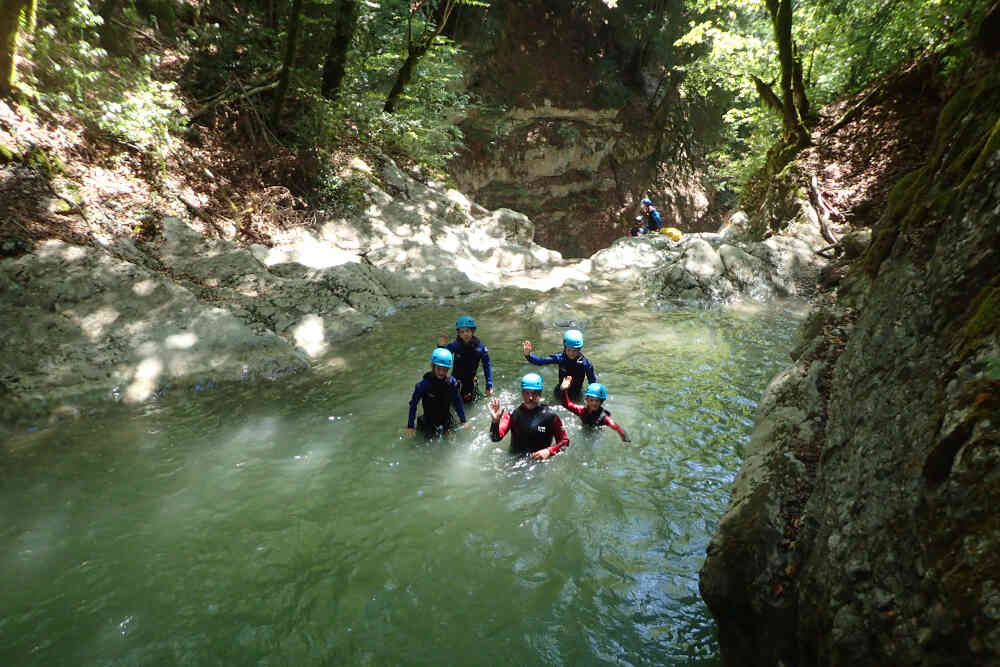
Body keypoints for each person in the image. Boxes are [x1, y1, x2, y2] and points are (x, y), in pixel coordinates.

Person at [488, 373, 569, 460]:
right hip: (515, 462)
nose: (530, 397)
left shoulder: (551, 417)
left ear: (540, 393)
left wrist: (549, 451)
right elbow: (495, 438)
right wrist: (495, 422)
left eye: (534, 393)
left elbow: (564, 442)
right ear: (522, 393)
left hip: (539, 464)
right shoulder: (513, 414)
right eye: (527, 393)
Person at [405, 347, 468, 438]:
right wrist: (410, 426)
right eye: (439, 368)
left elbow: (457, 402)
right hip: (428, 421)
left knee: (451, 442)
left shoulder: (451, 383)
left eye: (445, 369)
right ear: (433, 366)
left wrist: (464, 420)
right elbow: (413, 404)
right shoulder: (423, 385)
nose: (442, 372)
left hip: (446, 420)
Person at [522, 328, 597, 401]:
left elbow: (592, 383)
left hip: (577, 394)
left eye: (575, 350)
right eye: (569, 350)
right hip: (560, 392)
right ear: (564, 347)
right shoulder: (560, 358)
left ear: (580, 349)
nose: (571, 353)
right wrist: (528, 355)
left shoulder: (586, 364)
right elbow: (540, 362)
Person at [436, 315, 494, 403]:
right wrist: (440, 347)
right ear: (458, 334)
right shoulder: (455, 345)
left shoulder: (480, 348)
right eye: (462, 332)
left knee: (468, 404)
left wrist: (489, 385)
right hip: (455, 381)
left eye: (467, 331)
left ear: (473, 331)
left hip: (469, 383)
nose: (465, 334)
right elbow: (440, 358)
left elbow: (487, 366)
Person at [559, 377, 630, 442]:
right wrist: (564, 390)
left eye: (597, 400)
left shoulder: (603, 418)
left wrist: (626, 441)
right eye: (592, 400)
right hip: (583, 432)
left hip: (596, 437)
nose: (594, 403)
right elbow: (566, 404)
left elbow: (617, 428)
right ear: (586, 400)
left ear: (601, 401)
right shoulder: (581, 410)